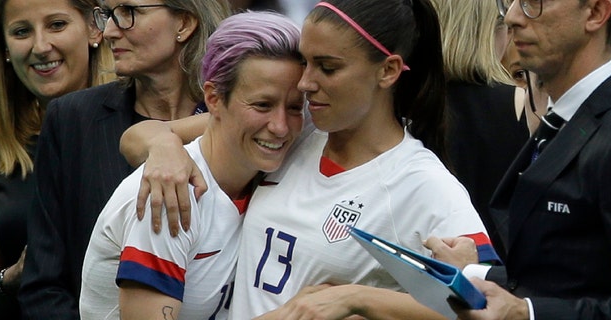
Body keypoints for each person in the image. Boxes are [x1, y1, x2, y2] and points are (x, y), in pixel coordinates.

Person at [121, 0, 501, 318]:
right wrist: (165, 150)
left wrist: (357, 299)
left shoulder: (420, 182)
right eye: (306, 62)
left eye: (328, 67)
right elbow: (140, 136)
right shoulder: (292, 130)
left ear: (387, 71)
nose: (305, 83)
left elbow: (486, 303)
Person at [80, 11, 304, 320]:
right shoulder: (168, 192)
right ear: (213, 98)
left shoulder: (271, 159)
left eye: (294, 107)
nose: (280, 127)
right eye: (262, 105)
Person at [17, 1, 231, 319]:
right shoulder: (72, 118)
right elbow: (43, 284)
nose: (109, 32)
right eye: (107, 14)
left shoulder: (238, 125)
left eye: (129, 13)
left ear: (184, 23)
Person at [431, 0, 611, 318]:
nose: (514, 17)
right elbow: (570, 274)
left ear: (595, 12)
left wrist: (526, 313)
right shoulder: (567, 117)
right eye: (511, 2)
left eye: (535, 2)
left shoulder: (609, 130)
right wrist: (476, 273)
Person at [0, 0, 114, 318]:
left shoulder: (137, 130)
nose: (41, 46)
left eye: (57, 25)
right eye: (22, 31)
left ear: (94, 28)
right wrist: (10, 279)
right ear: (6, 48)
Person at [430, 0, 529, 259]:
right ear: (491, 31)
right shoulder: (519, 102)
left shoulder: (404, 99)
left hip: (421, 254)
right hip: (492, 265)